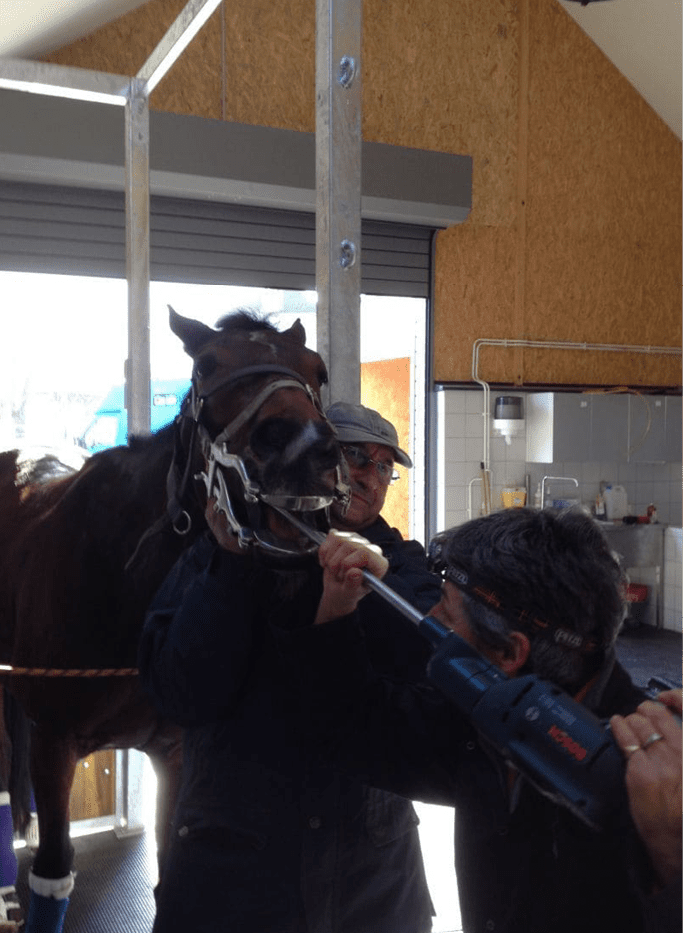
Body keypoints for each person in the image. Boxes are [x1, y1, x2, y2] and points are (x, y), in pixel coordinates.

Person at [286, 507, 682, 933]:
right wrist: (338, 602)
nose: (432, 618)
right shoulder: (485, 719)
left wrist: (674, 866)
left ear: (510, 653)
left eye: (447, 611)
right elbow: (351, 731)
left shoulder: (654, 789)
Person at [138, 403, 440, 933]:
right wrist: (233, 566)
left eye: (382, 465)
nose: (368, 476)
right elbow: (178, 692)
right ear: (313, 460)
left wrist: (371, 586)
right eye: (352, 456)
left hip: (370, 878)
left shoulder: (406, 567)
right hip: (231, 875)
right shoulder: (222, 551)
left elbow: (426, 675)